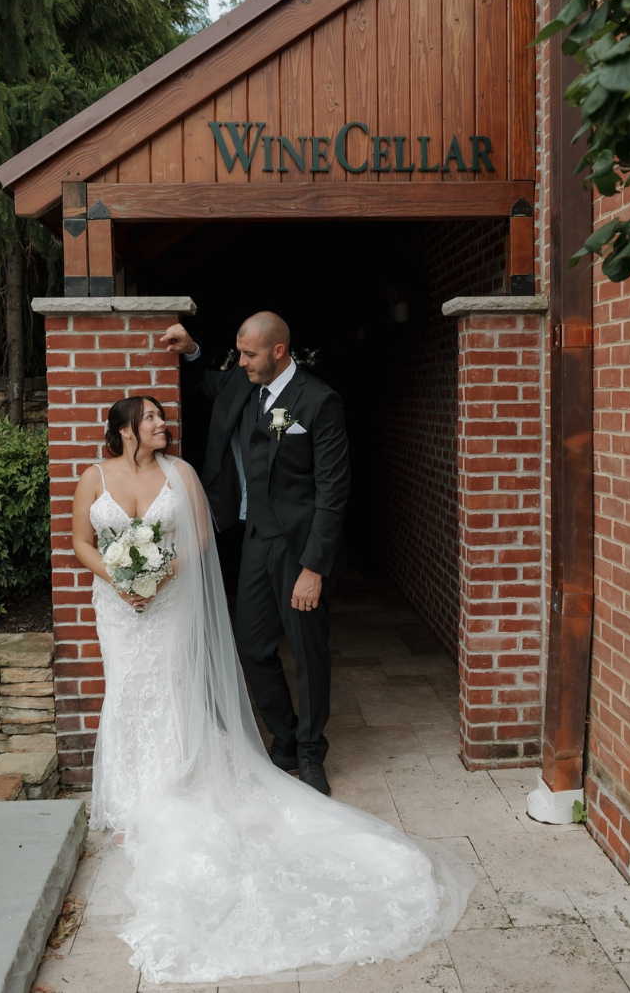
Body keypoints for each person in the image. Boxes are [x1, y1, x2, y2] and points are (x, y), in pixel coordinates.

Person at [71, 394, 475, 985]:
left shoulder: (182, 475)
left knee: (171, 687)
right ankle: (133, 794)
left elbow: (201, 541)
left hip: (168, 602)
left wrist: (154, 578)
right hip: (117, 607)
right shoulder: (93, 477)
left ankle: (173, 781)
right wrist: (121, 577)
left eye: (161, 415)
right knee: (128, 688)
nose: (163, 423)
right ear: (125, 429)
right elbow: (81, 542)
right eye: (151, 417)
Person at [161, 312, 348, 798]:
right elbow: (208, 382)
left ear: (278, 352)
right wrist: (191, 349)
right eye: (239, 353)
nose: (241, 362)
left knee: (307, 650)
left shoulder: (319, 401)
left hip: (300, 547)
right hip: (254, 540)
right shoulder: (243, 384)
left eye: (249, 354)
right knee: (251, 645)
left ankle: (310, 752)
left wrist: (314, 567)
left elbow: (333, 492)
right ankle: (285, 737)